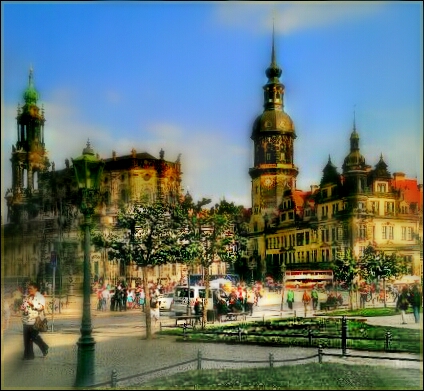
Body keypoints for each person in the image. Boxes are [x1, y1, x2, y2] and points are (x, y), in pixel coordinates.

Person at [20, 282, 49, 360]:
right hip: (26, 320)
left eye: (30, 288)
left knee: (33, 337)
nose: (29, 290)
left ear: (36, 288)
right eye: (28, 288)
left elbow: (42, 307)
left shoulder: (40, 297)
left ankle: (44, 347)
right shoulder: (27, 297)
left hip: (35, 321)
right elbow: (24, 306)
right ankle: (28, 356)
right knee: (26, 339)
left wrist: (32, 305)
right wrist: (23, 307)